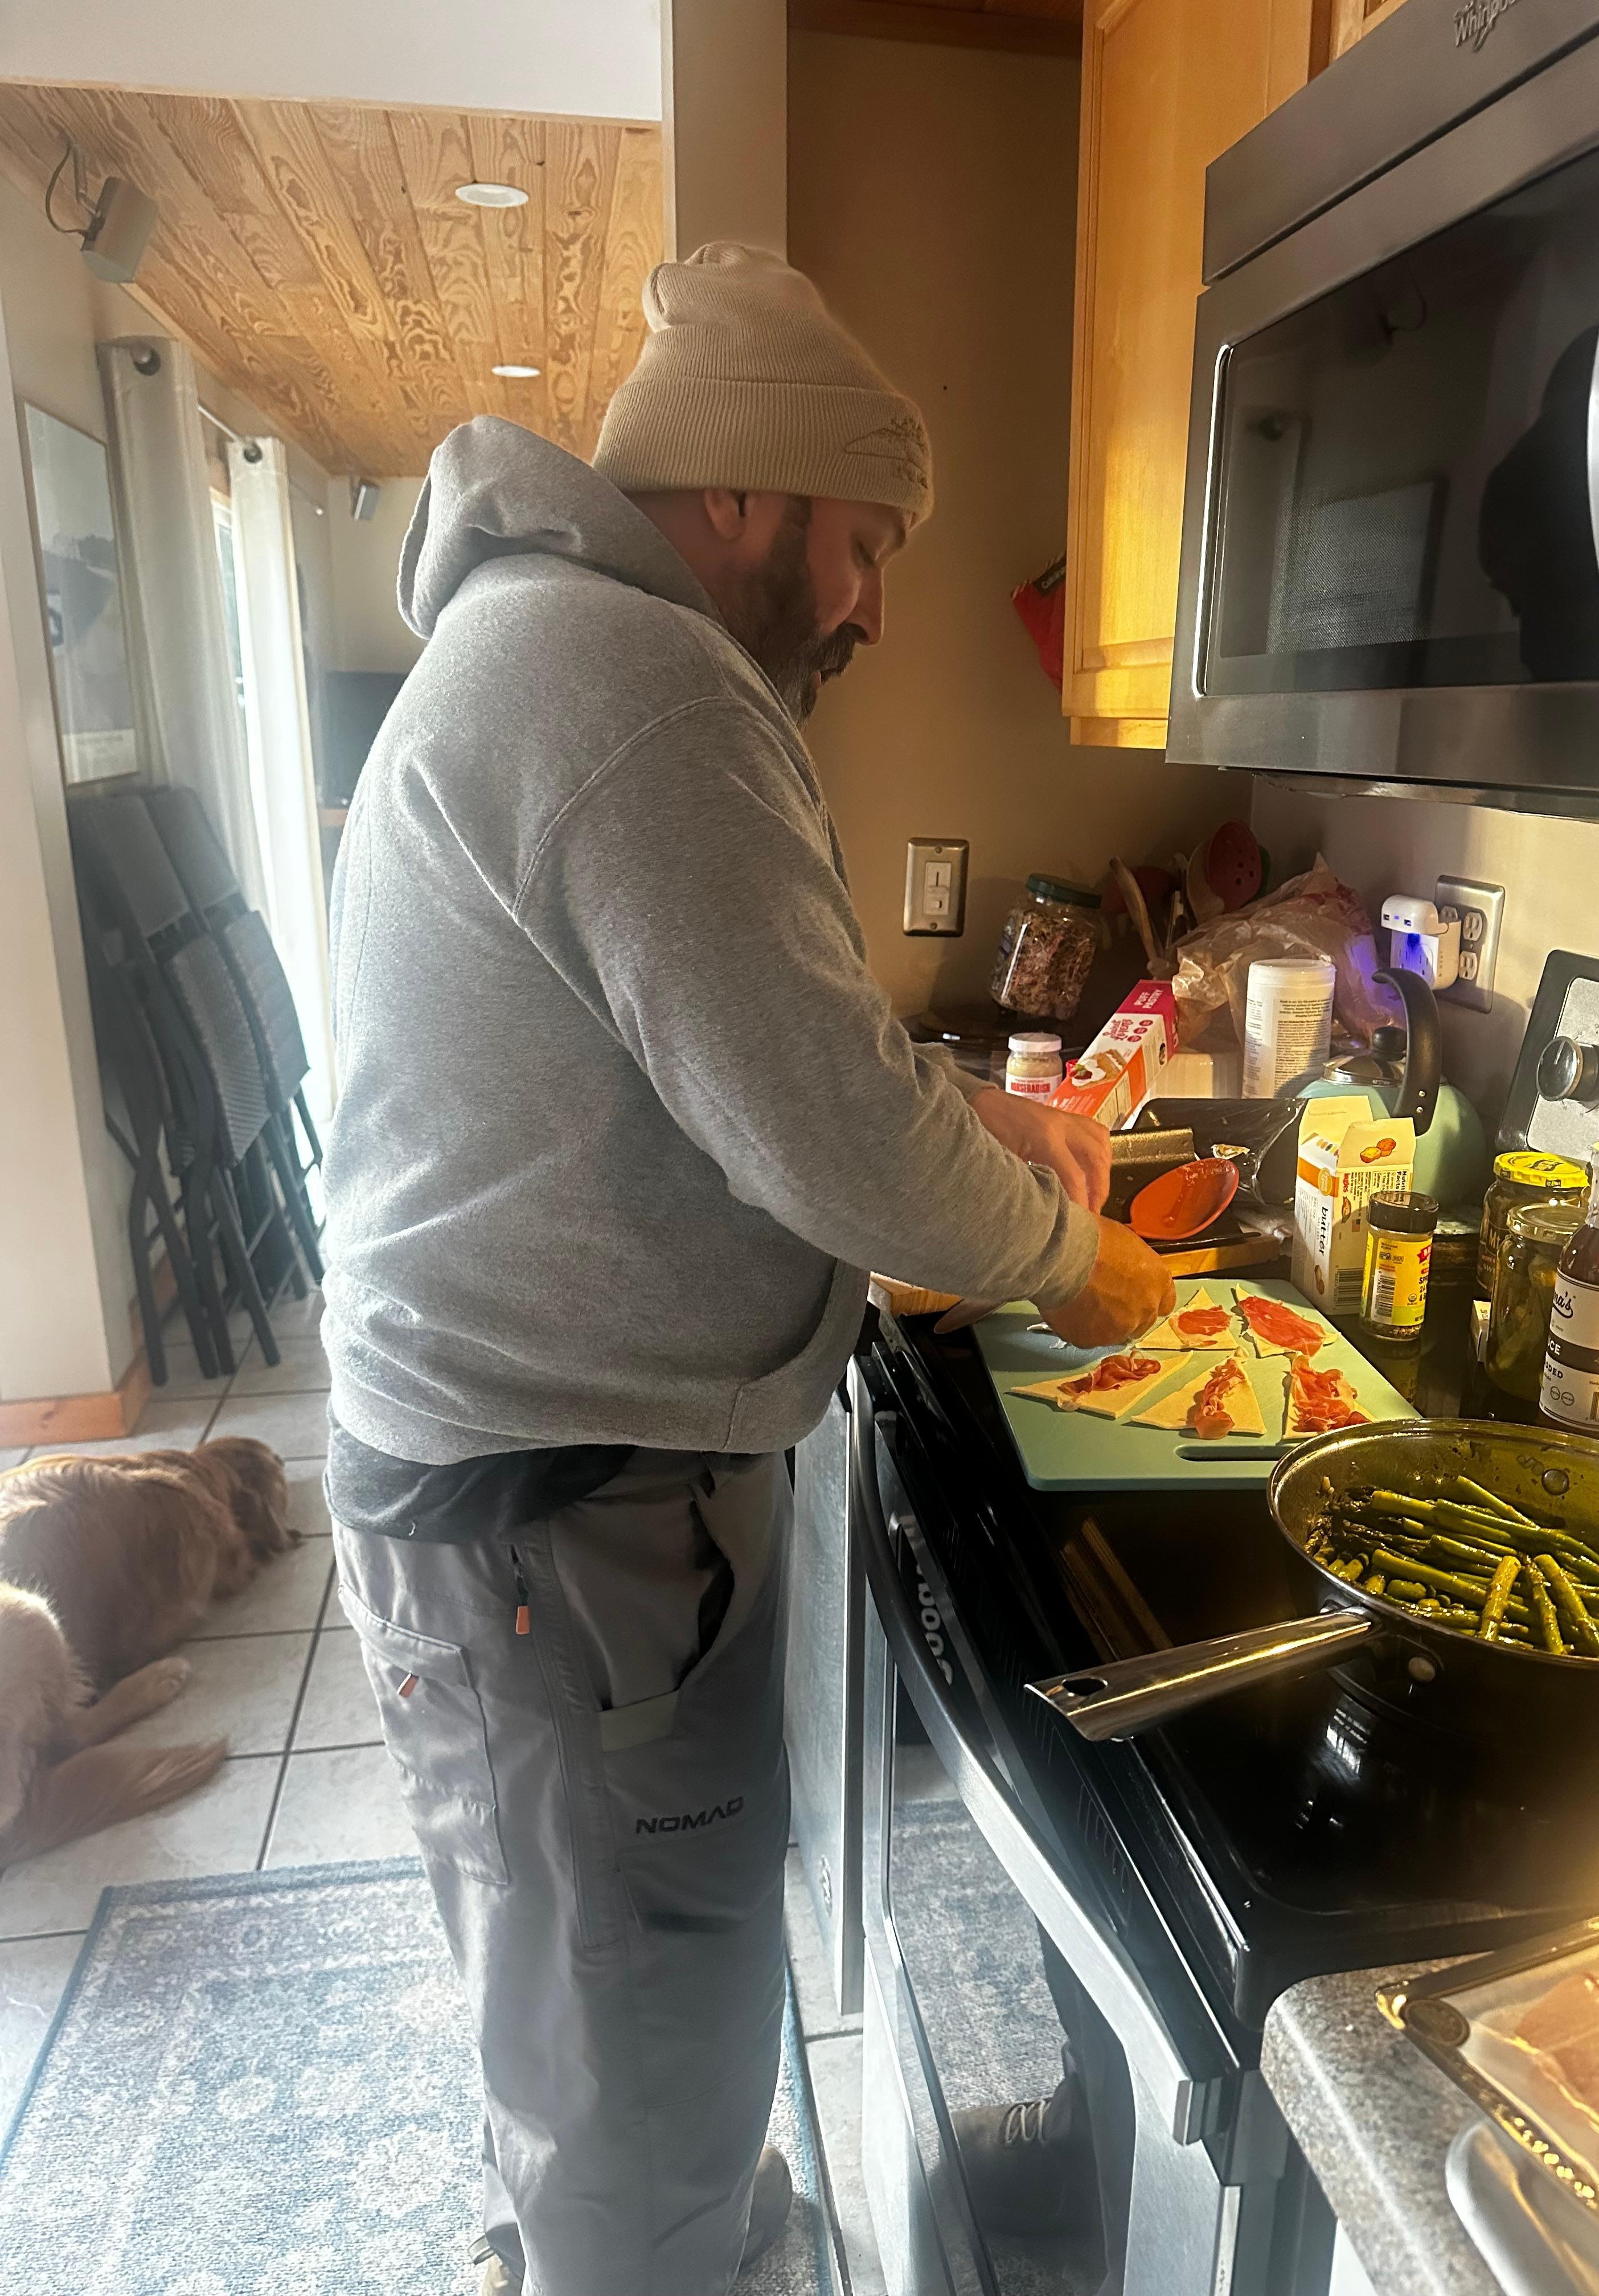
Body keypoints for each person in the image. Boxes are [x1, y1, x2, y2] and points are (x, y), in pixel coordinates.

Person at [319, 241, 1174, 2296]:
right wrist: (1070, 1258)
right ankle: (650, 2254)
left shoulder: (568, 646)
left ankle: (669, 2228)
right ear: (744, 493)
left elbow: (749, 1049)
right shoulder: (637, 691)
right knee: (620, 2007)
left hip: (525, 1503)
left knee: (596, 1999)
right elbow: (818, 1125)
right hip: (556, 1522)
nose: (875, 603)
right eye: (865, 544)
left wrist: (976, 1127)